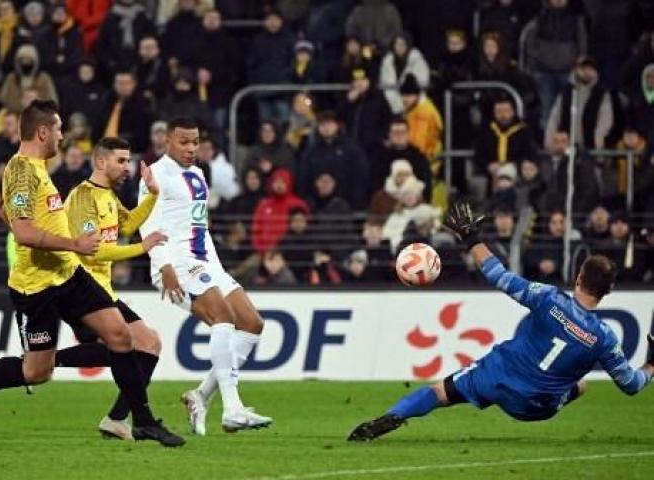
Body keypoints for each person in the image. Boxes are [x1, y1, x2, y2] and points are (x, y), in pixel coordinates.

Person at [0, 100, 183, 447]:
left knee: (121, 336)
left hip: (68, 276)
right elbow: (23, 233)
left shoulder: (38, 170)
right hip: (35, 287)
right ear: (42, 132)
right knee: (37, 372)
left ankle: (142, 421)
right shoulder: (21, 171)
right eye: (59, 128)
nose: (62, 136)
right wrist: (74, 243)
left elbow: (24, 220)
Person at [348, 202, 654, 442]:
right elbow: (631, 385)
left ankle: (394, 415)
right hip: (536, 407)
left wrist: (471, 238)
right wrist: (652, 363)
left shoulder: (548, 298)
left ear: (577, 278)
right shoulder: (605, 338)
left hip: (499, 376)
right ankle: (552, 394)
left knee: (440, 392)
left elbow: (499, 276)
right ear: (609, 291)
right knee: (583, 385)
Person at [139, 117, 273, 436]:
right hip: (178, 263)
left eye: (195, 142)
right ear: (168, 141)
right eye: (183, 142)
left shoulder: (198, 174)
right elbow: (148, 224)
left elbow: (200, 225)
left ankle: (200, 395)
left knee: (252, 323)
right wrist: (165, 267)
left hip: (206, 261)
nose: (190, 148)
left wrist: (216, 266)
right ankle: (232, 409)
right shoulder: (156, 175)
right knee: (223, 318)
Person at [54, 136, 167, 440]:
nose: (126, 167)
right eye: (120, 160)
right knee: (127, 347)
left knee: (149, 344)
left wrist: (153, 196)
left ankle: (117, 419)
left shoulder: (108, 196)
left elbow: (126, 226)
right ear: (101, 162)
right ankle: (45, 360)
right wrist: (142, 248)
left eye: (128, 161)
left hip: (104, 289)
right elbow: (95, 250)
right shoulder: (82, 197)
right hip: (81, 289)